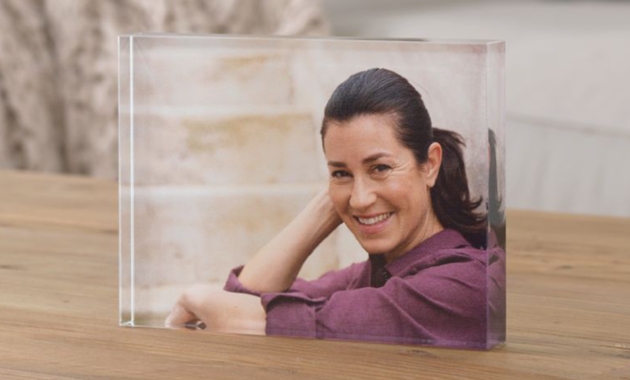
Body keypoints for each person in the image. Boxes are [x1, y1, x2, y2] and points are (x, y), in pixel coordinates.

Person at [165, 68, 505, 348]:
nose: (359, 198)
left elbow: (260, 320)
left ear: (429, 164)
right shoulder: (375, 272)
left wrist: (196, 295)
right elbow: (246, 299)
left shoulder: (464, 285)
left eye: (380, 168)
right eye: (340, 172)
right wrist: (329, 205)